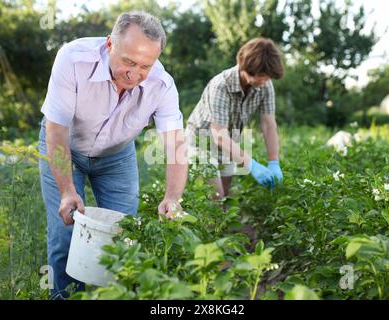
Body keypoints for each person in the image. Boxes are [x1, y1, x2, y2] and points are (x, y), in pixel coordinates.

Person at [38, 11, 188, 299]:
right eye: (128, 62)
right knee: (65, 233)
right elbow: (56, 133)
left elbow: (176, 147)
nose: (134, 74)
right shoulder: (72, 59)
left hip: (116, 156)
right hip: (64, 146)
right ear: (110, 45)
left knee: (124, 235)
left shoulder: (163, 85)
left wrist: (173, 197)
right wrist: (68, 190)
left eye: (145, 65)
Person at [186, 37, 284, 199]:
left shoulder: (265, 85)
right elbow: (218, 134)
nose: (265, 80)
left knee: (225, 196)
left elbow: (268, 125)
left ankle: (218, 225)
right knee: (214, 197)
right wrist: (252, 165)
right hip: (202, 142)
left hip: (229, 142)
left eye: (268, 77)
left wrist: (274, 162)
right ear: (246, 68)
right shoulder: (221, 85)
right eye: (262, 76)